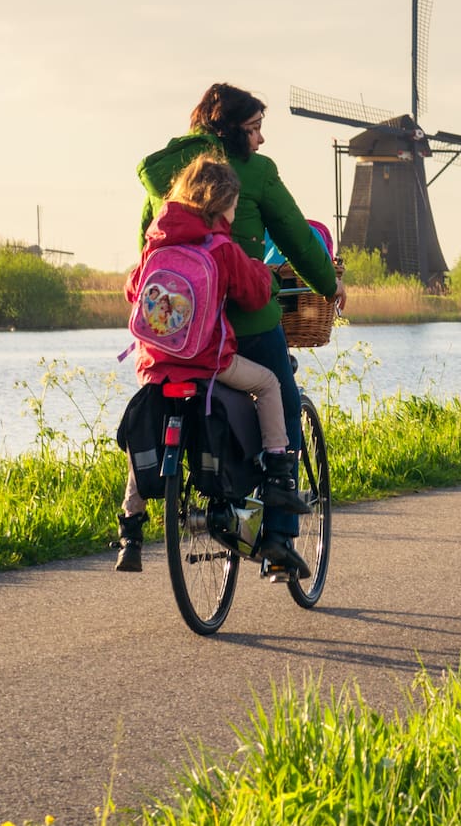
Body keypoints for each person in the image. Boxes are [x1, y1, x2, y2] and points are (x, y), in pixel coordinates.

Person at [128, 83, 344, 581]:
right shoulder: (253, 174)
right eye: (253, 129)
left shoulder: (164, 172)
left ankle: (134, 516)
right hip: (242, 323)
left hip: (178, 332)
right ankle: (279, 539)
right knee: (281, 398)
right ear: (228, 131)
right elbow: (296, 236)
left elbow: (146, 244)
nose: (260, 139)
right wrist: (327, 285)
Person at [117, 154, 311, 572]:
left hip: (156, 365)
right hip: (207, 363)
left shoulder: (157, 241)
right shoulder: (220, 248)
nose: (235, 212)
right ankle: (280, 477)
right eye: (234, 205)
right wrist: (265, 275)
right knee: (269, 384)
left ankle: (130, 527)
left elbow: (134, 289)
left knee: (148, 425)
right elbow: (253, 294)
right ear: (222, 204)